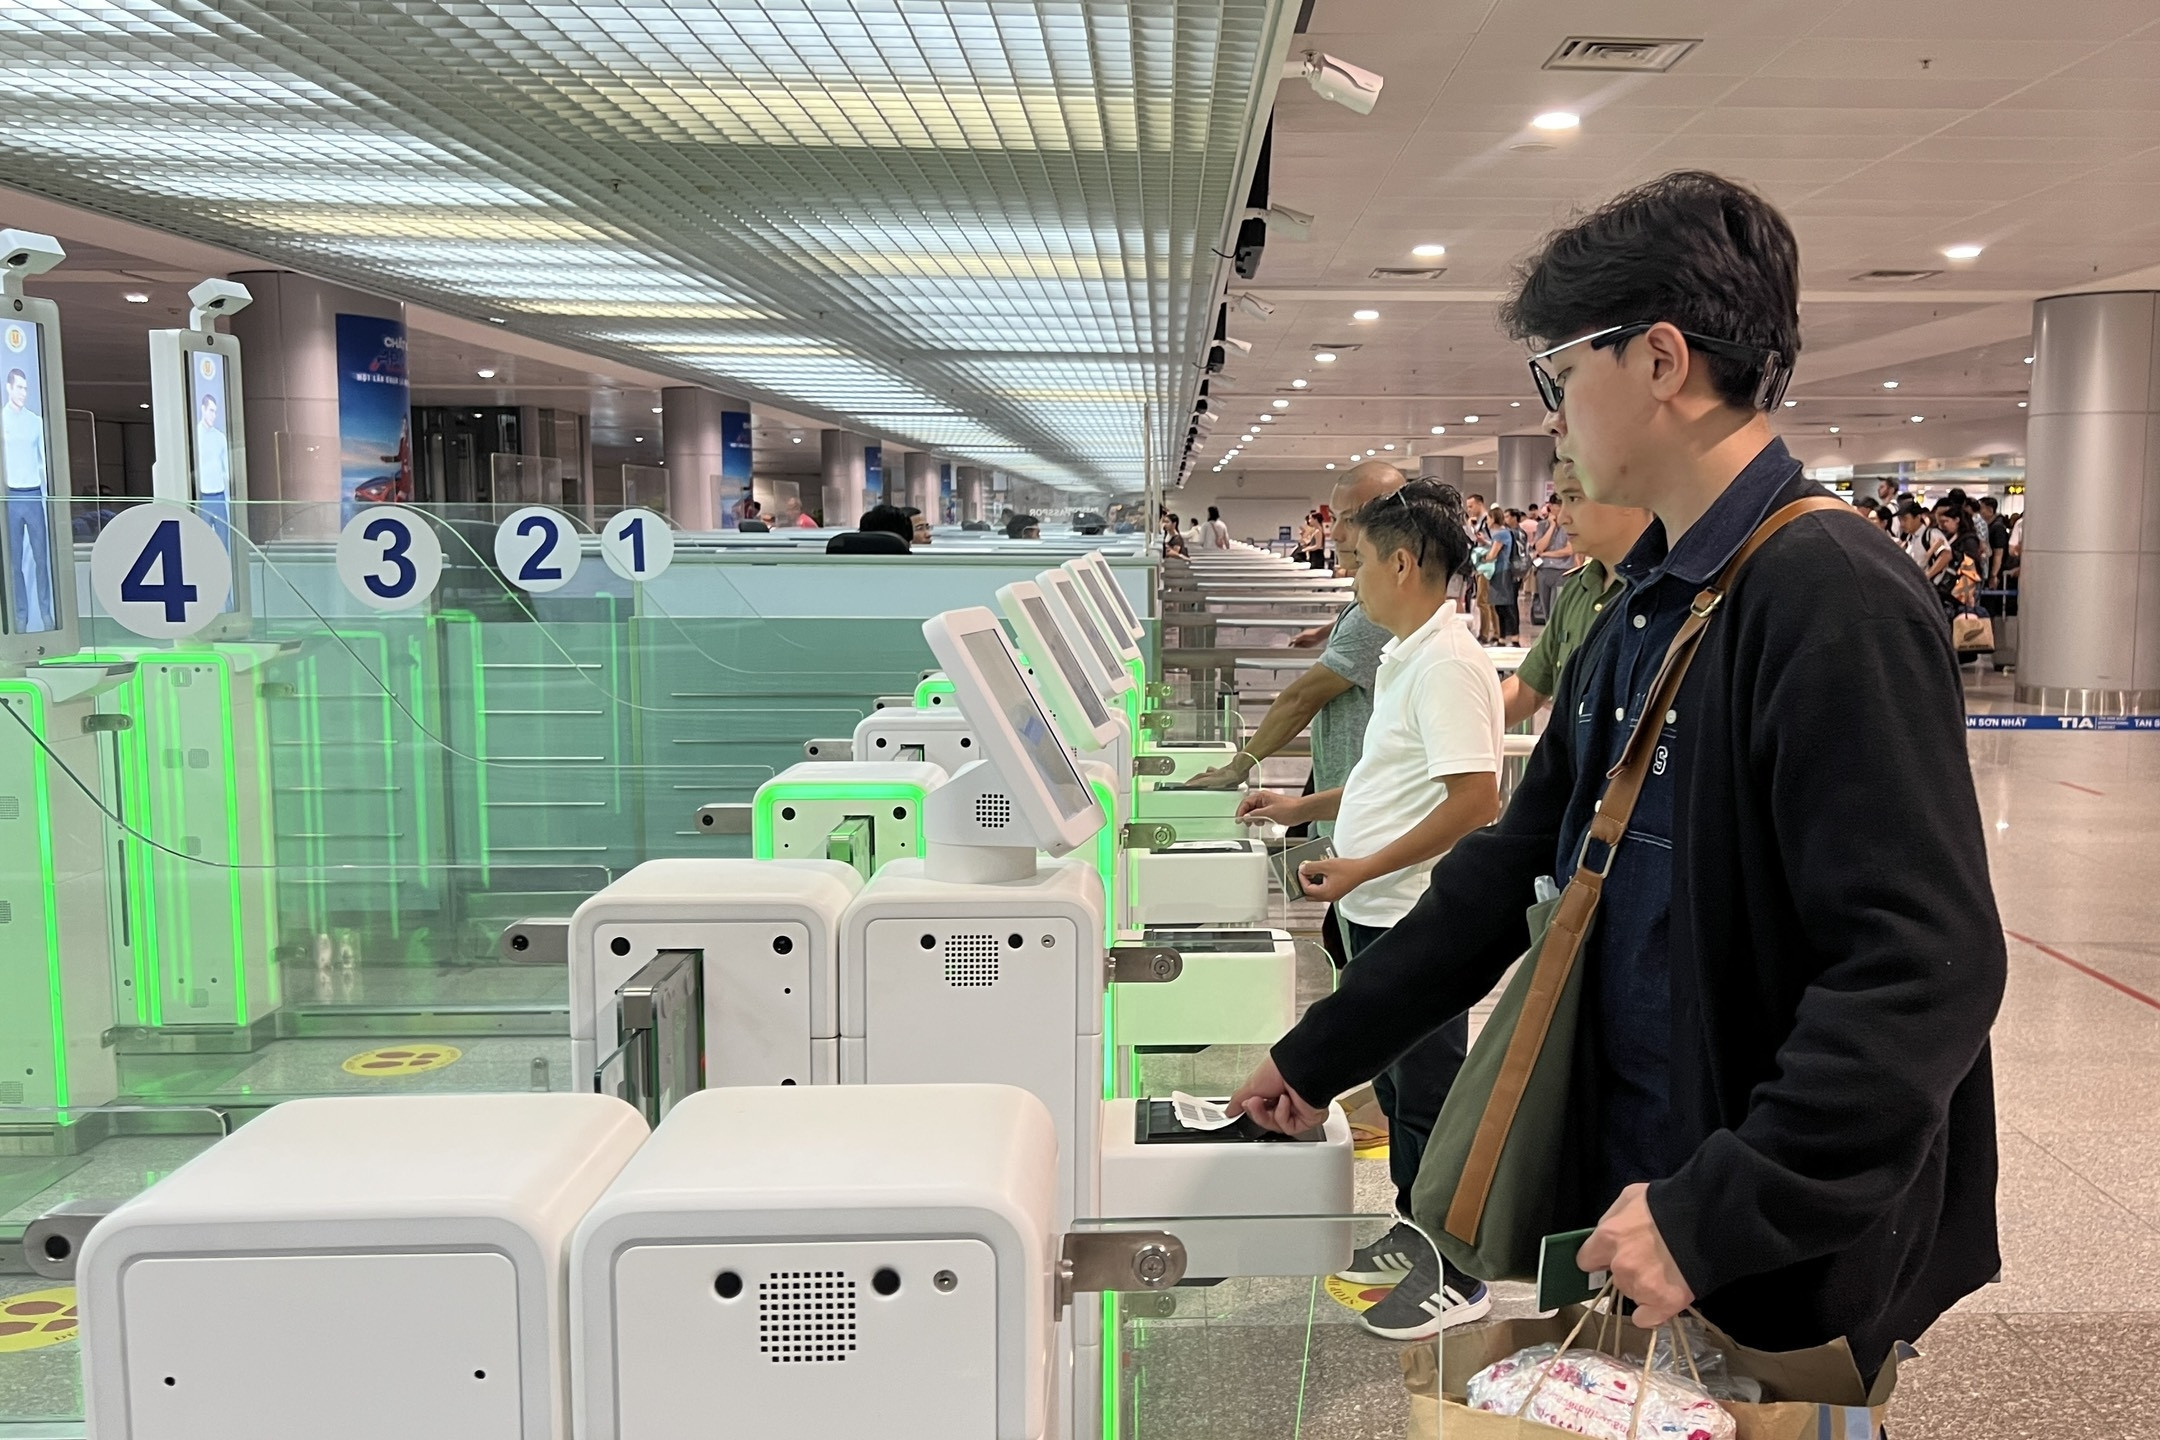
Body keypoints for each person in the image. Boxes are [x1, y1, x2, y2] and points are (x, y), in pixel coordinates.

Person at [1231, 169, 2003, 1376]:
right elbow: (1507, 866)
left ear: (1659, 360)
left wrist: (1724, 1207)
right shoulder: (1645, 602)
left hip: (1761, 1244)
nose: (1551, 414)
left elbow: (1922, 967)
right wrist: (1323, 1052)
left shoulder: (1826, 595)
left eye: (1558, 374)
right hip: (1645, 1184)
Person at [1234, 477, 1504, 1341]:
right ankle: (1412, 1231)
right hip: (1375, 902)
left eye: (1357, 565)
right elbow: (1389, 781)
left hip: (1415, 912)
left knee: (1430, 1097)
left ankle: (1459, 1273)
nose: (1349, 580)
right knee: (1396, 1085)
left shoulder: (1451, 664)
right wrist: (1300, 810)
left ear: (1402, 562)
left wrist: (1363, 869)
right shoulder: (1404, 655)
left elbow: (1476, 802)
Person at [1188, 461, 1404, 798]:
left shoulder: (1379, 618)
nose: (1335, 535)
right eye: (1335, 518)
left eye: (1350, 519)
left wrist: (1238, 766)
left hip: (1358, 800)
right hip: (1348, 785)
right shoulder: (1386, 603)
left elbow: (1301, 699)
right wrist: (1325, 632)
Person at [1502, 459, 1652, 727]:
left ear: (1628, 496)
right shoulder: (1578, 590)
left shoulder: (1666, 594)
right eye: (1561, 500)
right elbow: (1528, 688)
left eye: (1574, 498)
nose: (1561, 517)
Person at [2, 365, 55, 633]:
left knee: (41, 559)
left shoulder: (35, 422)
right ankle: (20, 615)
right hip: (10, 496)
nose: (23, 392)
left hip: (33, 495)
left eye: (26, 388)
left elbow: (44, 462)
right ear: (9, 387)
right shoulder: (2, 420)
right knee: (14, 563)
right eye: (19, 387)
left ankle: (45, 612)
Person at [193, 389, 233, 553]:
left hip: (219, 496)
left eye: (215, 411)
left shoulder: (220, 437)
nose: (213, 415)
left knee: (223, 543)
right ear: (203, 409)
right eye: (210, 410)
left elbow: (227, 470)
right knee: (202, 543)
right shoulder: (196, 435)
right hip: (203, 497)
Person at [1528, 495, 1575, 625]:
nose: (1559, 508)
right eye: (1557, 505)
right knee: (1546, 611)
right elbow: (1539, 547)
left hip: (1563, 571)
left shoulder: (1571, 525)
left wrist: (1547, 553)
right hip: (1544, 571)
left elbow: (1569, 550)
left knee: (1557, 609)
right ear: (1551, 506)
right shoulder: (1543, 525)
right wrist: (1552, 526)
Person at [1480, 507, 1522, 643]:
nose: (1486, 522)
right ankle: (1503, 637)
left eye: (1488, 518)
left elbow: (1493, 554)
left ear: (1493, 519)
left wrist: (1481, 558)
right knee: (1500, 605)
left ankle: (1513, 636)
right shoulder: (1504, 533)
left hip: (1502, 572)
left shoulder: (1500, 534)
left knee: (1505, 606)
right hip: (1503, 572)